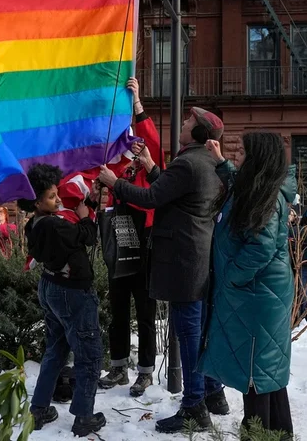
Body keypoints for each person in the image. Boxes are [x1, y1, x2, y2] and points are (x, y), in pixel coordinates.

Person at [99, 106, 229, 433]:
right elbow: (177, 194)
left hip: (184, 260)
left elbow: (153, 198)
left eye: (187, 121)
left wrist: (115, 183)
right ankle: (214, 393)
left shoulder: (187, 162)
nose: (182, 123)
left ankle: (194, 406)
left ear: (197, 132)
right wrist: (152, 166)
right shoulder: (209, 161)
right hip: (201, 256)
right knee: (201, 329)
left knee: (188, 333)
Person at [197, 133, 295, 439]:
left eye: (242, 151)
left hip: (257, 296)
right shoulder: (258, 187)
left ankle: (258, 433)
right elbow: (240, 182)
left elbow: (260, 249)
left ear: (258, 158)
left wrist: (232, 279)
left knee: (256, 373)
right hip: (258, 294)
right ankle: (279, 432)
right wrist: (221, 162)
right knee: (266, 373)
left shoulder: (267, 196)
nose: (236, 153)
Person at [19, 164, 105, 437]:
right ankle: (83, 416)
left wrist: (88, 202)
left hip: (51, 287)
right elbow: (87, 237)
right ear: (37, 201)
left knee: (55, 350)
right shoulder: (55, 226)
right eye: (53, 196)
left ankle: (40, 408)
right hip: (72, 293)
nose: (58, 200)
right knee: (89, 354)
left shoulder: (34, 224)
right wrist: (85, 216)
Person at [97, 77, 162, 397]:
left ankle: (146, 371)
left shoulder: (151, 161)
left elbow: (151, 136)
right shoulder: (114, 157)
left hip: (145, 234)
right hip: (120, 231)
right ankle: (119, 366)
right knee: (118, 306)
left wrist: (137, 101)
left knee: (145, 309)